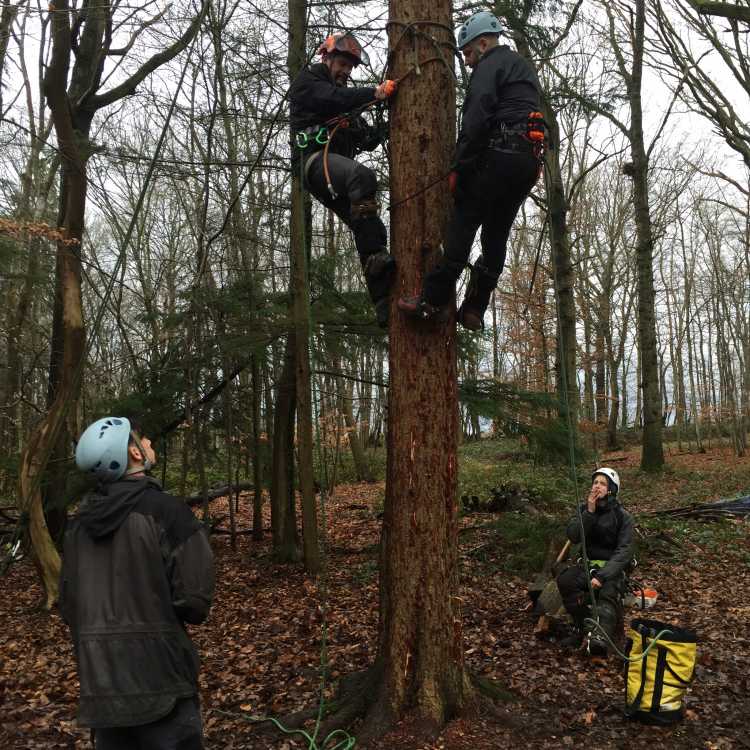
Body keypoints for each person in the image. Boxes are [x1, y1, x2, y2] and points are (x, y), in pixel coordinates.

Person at [60, 417, 215, 749]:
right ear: (133, 453)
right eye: (143, 441)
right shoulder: (169, 512)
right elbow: (195, 602)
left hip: (101, 687)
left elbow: (70, 607)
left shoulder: (77, 527)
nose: (149, 445)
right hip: (163, 682)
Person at [398, 11, 542, 331]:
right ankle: (475, 308)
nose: (466, 61)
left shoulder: (490, 65)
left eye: (467, 52)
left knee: (463, 221)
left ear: (483, 42)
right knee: (496, 234)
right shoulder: (523, 69)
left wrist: (459, 168)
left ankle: (432, 300)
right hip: (528, 163)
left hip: (499, 157)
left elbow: (477, 119)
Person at [288, 32, 398, 328]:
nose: (345, 72)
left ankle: (382, 303)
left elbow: (366, 137)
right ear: (326, 58)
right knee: (362, 176)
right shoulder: (308, 81)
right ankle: (376, 261)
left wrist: (388, 124)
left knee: (367, 225)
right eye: (341, 64)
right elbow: (331, 99)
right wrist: (373, 93)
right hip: (313, 162)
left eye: (350, 68)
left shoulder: (344, 97)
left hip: (335, 171)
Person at [556, 467, 634, 656]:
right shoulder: (584, 511)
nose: (597, 486)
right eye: (595, 482)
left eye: (603, 483)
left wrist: (602, 576)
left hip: (610, 570)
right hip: (588, 566)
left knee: (607, 596)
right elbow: (574, 536)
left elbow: (624, 551)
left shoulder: (623, 517)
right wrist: (589, 513)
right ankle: (583, 627)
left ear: (611, 489)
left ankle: (599, 638)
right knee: (566, 580)